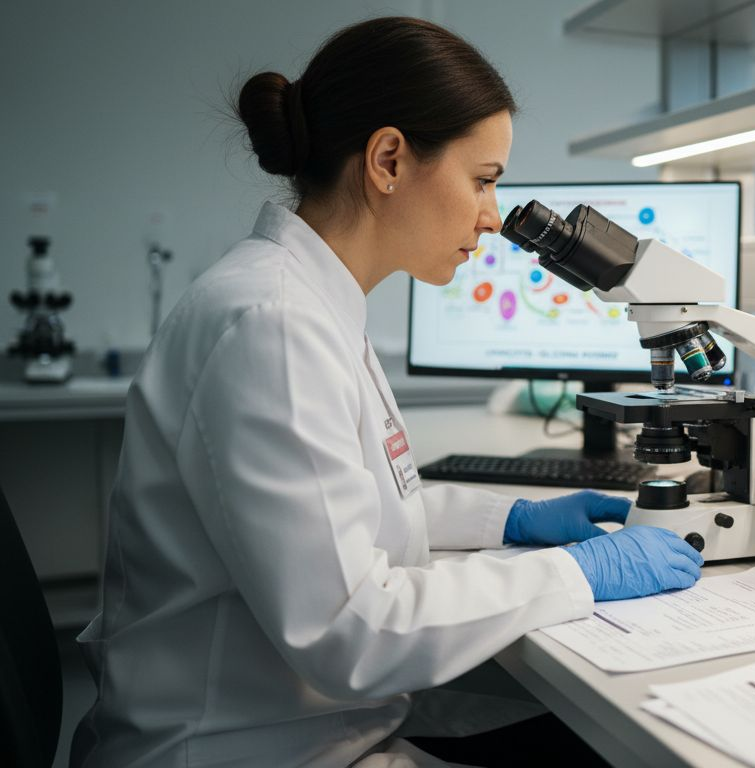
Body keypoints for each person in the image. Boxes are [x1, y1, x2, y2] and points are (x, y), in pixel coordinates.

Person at [69, 16, 703, 768]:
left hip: (303, 727)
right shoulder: (272, 323)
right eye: (483, 179)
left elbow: (351, 505)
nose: (492, 217)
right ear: (390, 160)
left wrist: (514, 519)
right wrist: (578, 572)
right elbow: (351, 631)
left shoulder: (308, 301)